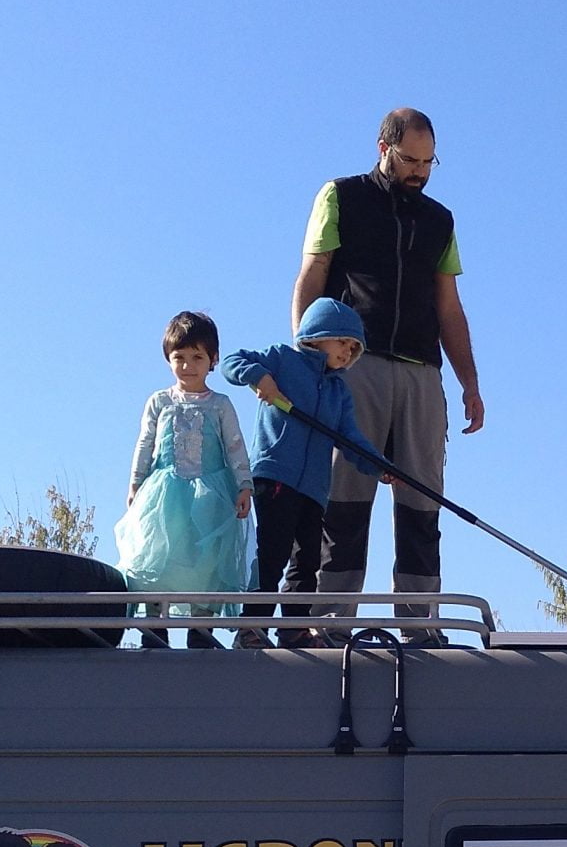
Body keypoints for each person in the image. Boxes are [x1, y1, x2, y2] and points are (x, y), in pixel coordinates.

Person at [293, 106, 484, 636]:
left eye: (429, 162)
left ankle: (420, 625)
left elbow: (449, 305)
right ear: (384, 149)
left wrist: (469, 382)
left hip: (422, 372)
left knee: (423, 503)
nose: (420, 171)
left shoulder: (440, 220)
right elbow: (313, 274)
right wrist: (306, 358)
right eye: (410, 159)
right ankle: (330, 623)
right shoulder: (340, 195)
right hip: (355, 366)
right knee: (346, 498)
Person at [220, 298, 375, 647]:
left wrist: (378, 464)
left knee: (307, 560)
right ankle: (251, 627)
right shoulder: (283, 359)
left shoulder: (339, 391)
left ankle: (294, 628)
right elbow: (233, 362)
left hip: (314, 489)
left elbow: (350, 437)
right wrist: (259, 377)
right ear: (320, 335)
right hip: (276, 475)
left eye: (354, 349)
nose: (348, 353)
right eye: (344, 343)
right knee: (272, 552)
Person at [114, 311, 253, 648]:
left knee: (205, 562)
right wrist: (135, 483)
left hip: (209, 495)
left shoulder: (220, 405)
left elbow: (235, 446)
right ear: (168, 359)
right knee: (157, 557)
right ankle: (154, 627)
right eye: (179, 357)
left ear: (213, 360)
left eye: (197, 357)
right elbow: (145, 443)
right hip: (164, 494)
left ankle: (201, 630)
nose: (188, 366)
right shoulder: (159, 401)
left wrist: (244, 485)